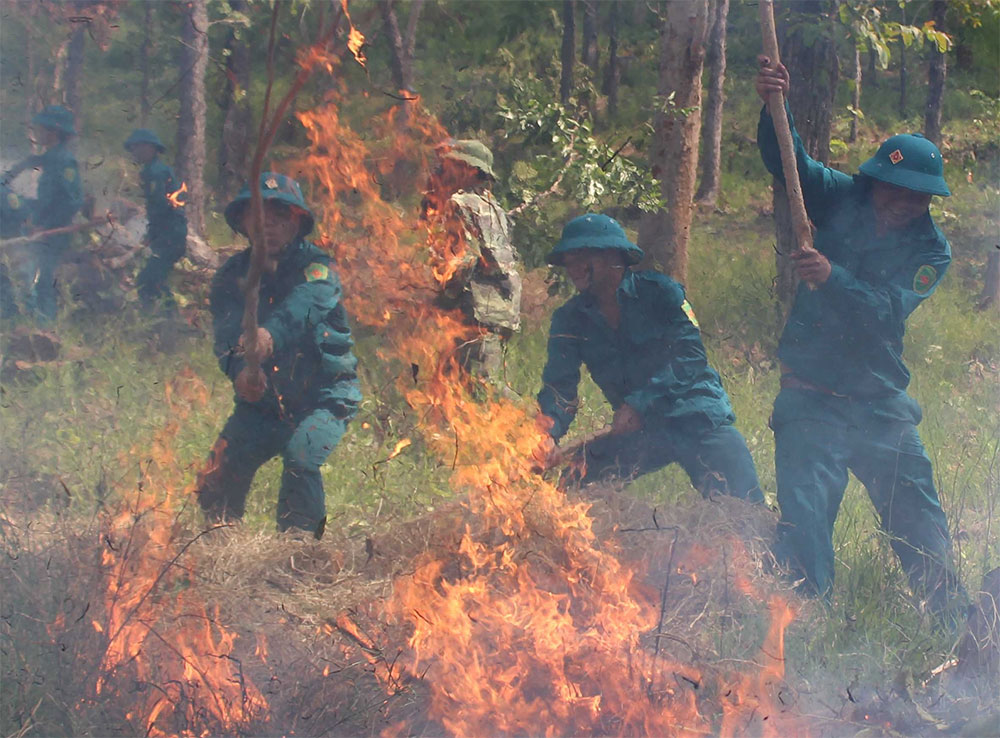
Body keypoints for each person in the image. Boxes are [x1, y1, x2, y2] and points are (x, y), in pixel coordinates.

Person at [756, 60, 965, 617]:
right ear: (874, 183)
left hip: (878, 402)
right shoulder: (838, 197)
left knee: (919, 521)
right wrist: (775, 102)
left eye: (919, 198)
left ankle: (960, 631)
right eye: (896, 192)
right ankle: (805, 631)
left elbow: (885, 314)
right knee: (804, 525)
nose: (907, 205)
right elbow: (788, 163)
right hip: (810, 396)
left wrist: (831, 277)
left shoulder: (931, 250)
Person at [535, 213, 763, 503]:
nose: (572, 268)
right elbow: (559, 386)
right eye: (568, 260)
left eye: (581, 257)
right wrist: (548, 432)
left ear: (612, 257)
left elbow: (690, 358)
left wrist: (639, 403)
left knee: (744, 506)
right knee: (571, 485)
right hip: (641, 432)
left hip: (695, 417)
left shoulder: (661, 292)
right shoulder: (569, 319)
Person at [195, 173, 362, 537]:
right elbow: (226, 337)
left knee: (301, 460)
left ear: (297, 222)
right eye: (257, 214)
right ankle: (218, 545)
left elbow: (307, 303)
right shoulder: (230, 276)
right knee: (217, 473)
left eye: (280, 215)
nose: (268, 223)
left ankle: (298, 553)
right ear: (242, 222)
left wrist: (270, 334)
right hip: (267, 405)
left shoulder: (318, 267)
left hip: (324, 398)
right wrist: (240, 370)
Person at [422, 139, 521, 381]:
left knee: (471, 389)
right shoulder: (494, 207)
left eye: (452, 165)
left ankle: (536, 418)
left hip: (473, 311)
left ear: (470, 170)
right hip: (501, 311)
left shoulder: (459, 204)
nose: (444, 171)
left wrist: (444, 297)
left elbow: (464, 260)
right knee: (478, 383)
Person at [2, 105, 83, 323]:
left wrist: (45, 225)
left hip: (52, 233)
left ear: (53, 132)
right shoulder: (49, 158)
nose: (36, 133)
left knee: (42, 281)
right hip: (41, 229)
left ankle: (43, 331)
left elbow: (72, 201)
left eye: (40, 129)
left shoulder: (64, 161)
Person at [123, 128, 188, 313]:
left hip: (170, 236)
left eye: (137, 147)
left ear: (150, 148)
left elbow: (161, 207)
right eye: (133, 148)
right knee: (151, 279)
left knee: (149, 280)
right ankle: (163, 320)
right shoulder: (151, 171)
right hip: (165, 235)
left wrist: (152, 234)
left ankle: (169, 320)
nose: (134, 152)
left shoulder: (156, 173)